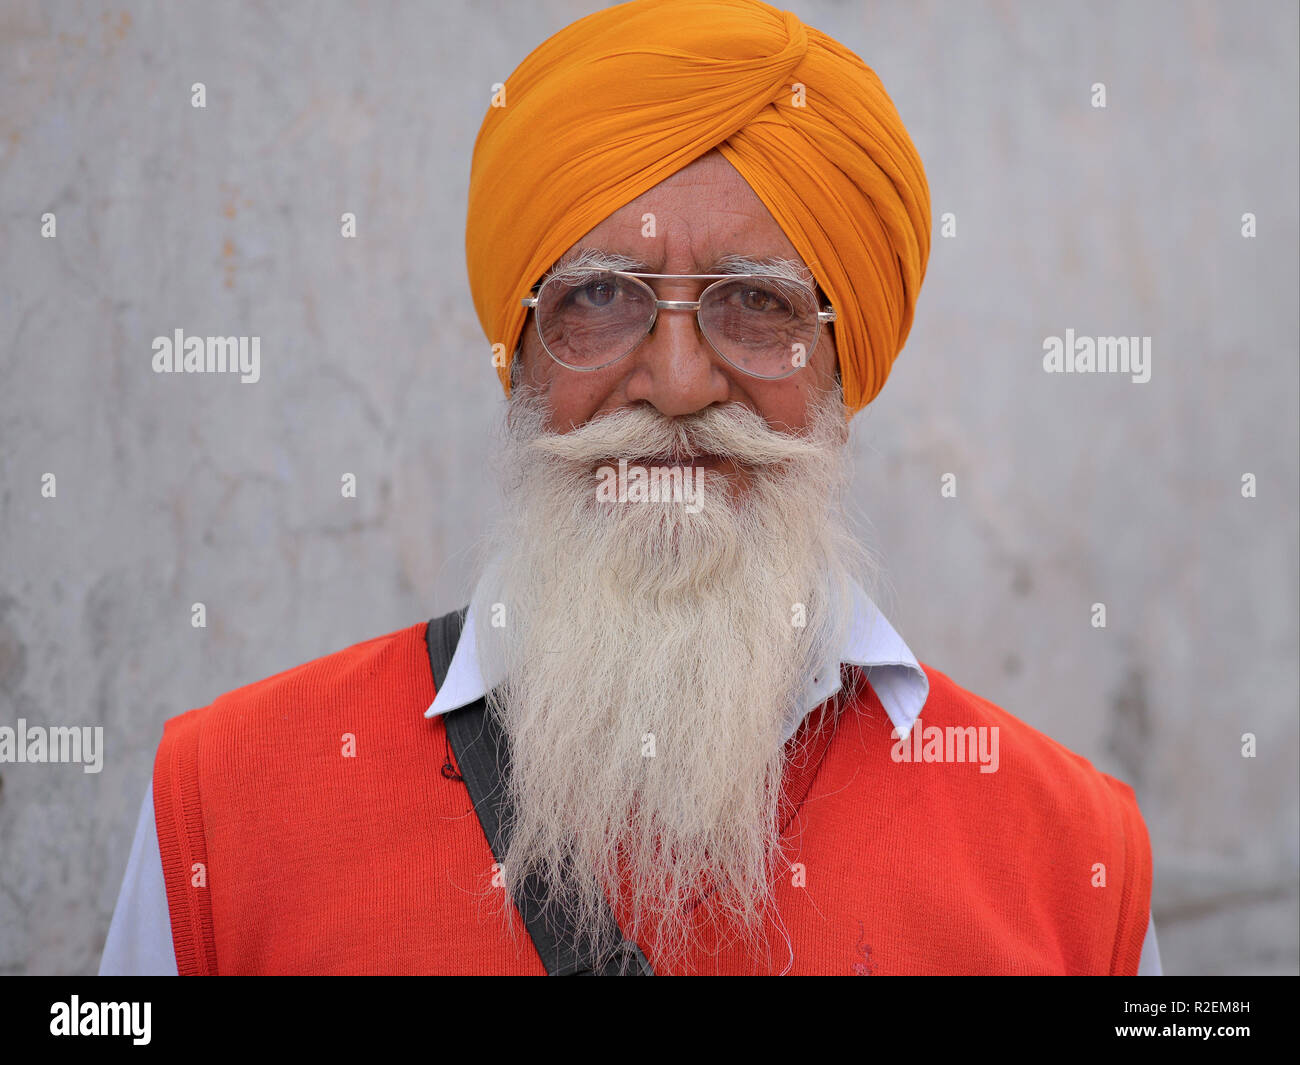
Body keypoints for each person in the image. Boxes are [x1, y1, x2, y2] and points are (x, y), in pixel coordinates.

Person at [101, 0, 1159, 975]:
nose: (680, 381)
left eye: (758, 303)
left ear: (846, 373)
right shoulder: (228, 808)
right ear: (517, 358)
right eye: (599, 297)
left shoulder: (1074, 861)